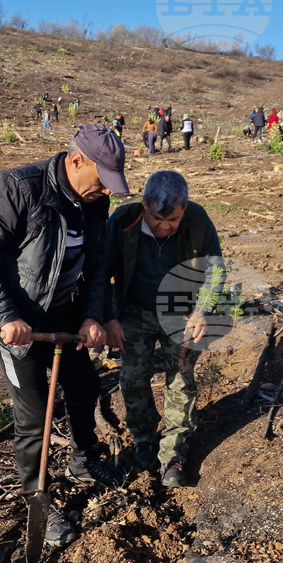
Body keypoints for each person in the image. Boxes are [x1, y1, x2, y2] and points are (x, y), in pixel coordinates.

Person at [0, 124, 130, 546]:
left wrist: (92, 318)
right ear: (75, 162)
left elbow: (98, 262)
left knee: (84, 389)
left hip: (65, 312)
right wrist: (6, 315)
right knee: (33, 417)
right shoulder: (18, 189)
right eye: (102, 181)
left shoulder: (93, 201)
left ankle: (83, 460)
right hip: (18, 323)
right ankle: (37, 496)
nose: (106, 191)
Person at [102, 171, 222, 487]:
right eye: (157, 219)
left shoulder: (197, 220)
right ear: (144, 205)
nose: (165, 226)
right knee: (131, 377)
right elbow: (100, 270)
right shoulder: (123, 220)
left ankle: (174, 454)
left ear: (184, 209)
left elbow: (215, 270)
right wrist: (108, 317)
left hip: (180, 313)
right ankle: (144, 438)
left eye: (173, 220)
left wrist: (202, 310)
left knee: (180, 379)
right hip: (134, 311)